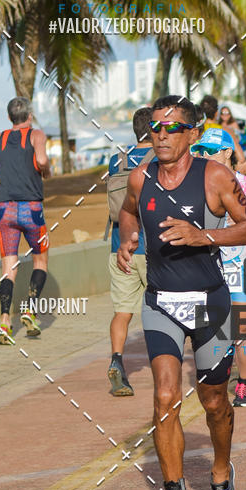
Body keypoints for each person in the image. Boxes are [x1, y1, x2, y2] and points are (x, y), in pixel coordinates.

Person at [117, 95, 246, 490]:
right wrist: (128, 239)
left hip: (209, 303)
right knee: (165, 397)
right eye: (155, 128)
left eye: (171, 128)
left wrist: (202, 235)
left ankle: (221, 474)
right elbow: (127, 213)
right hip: (161, 301)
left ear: (191, 134)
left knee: (215, 401)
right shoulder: (140, 177)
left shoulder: (215, 175)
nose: (160, 135)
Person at [192, 127, 246, 406]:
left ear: (227, 152)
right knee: (208, 328)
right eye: (199, 151)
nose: (203, 156)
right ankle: (215, 376)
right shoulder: (196, 184)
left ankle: (243, 383)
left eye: (209, 151)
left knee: (240, 329)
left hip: (239, 268)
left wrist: (240, 224)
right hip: (206, 269)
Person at [0, 96, 51, 344]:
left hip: (5, 210)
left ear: (9, 118)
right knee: (40, 261)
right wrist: (46, 170)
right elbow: (40, 161)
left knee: (8, 267)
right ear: (29, 116)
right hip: (31, 208)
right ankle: (30, 310)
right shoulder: (36, 135)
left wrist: (8, 170)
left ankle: (6, 322)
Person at [107, 107, 154, 396]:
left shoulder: (116, 160)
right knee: (161, 309)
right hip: (150, 247)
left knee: (122, 311)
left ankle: (116, 361)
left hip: (118, 246)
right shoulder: (157, 161)